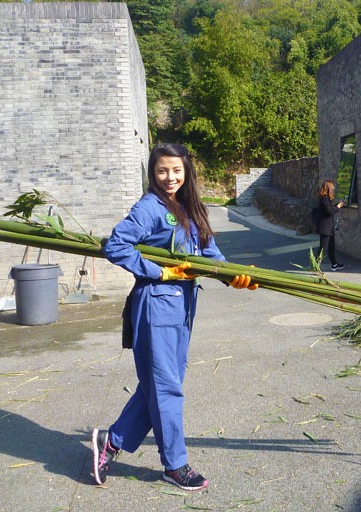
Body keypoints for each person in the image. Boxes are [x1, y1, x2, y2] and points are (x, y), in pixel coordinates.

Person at [92, 143, 257, 491]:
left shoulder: (189, 207)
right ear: (153, 173)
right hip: (156, 304)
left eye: (177, 170)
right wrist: (160, 271)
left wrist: (234, 276)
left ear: (186, 172)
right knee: (166, 387)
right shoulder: (149, 207)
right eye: (163, 170)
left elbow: (208, 254)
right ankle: (175, 464)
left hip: (182, 306)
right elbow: (116, 246)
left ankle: (113, 441)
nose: (170, 177)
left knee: (161, 384)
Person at [315, 179, 346, 271]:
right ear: (328, 188)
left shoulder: (326, 199)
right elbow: (330, 212)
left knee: (331, 246)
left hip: (329, 227)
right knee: (323, 248)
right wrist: (338, 207)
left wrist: (337, 205)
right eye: (332, 187)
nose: (334, 188)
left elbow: (330, 208)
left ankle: (334, 264)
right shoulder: (324, 199)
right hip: (325, 227)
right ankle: (315, 265)